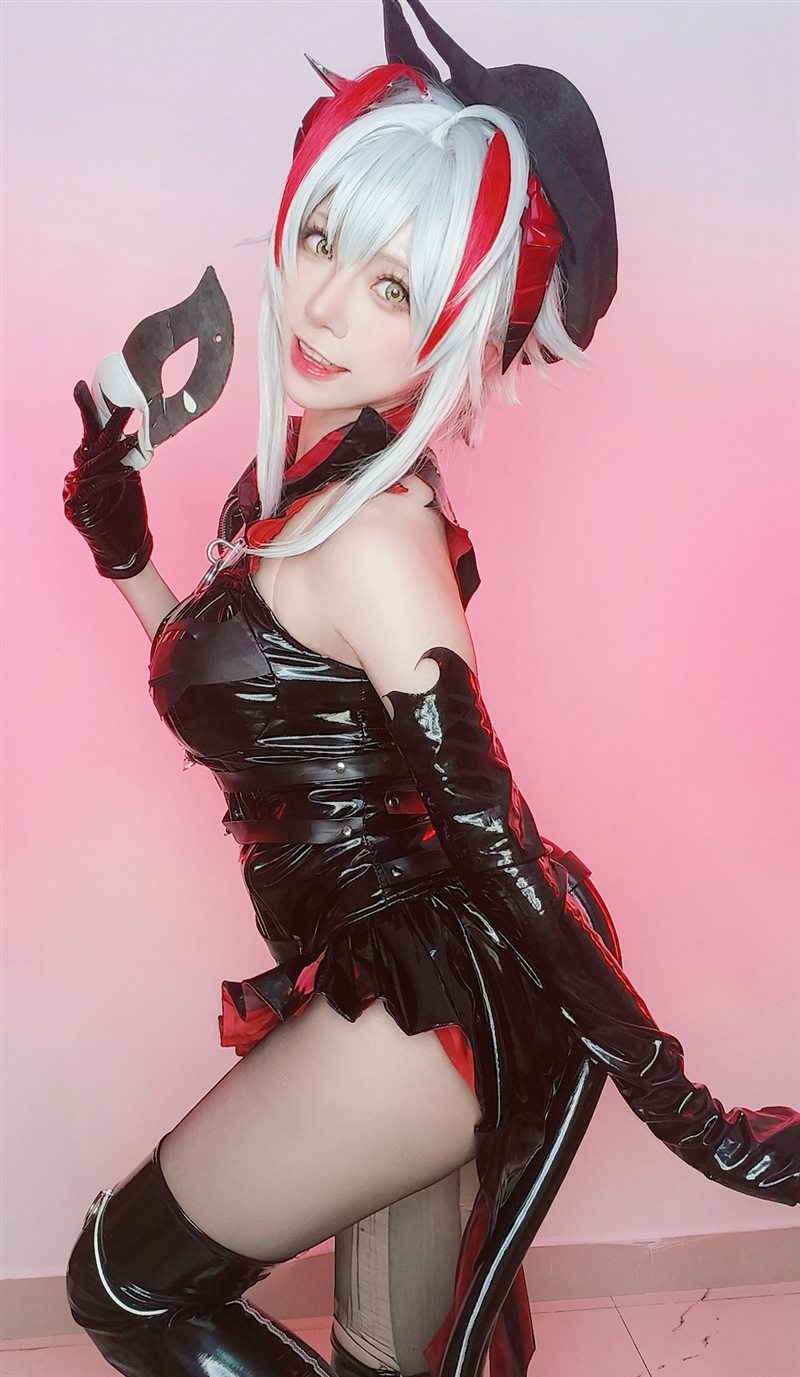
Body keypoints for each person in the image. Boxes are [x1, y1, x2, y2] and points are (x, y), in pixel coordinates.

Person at [61, 7, 799, 1377]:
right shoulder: (302, 483)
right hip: (384, 974)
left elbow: (492, 834)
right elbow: (268, 717)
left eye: (396, 288)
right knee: (389, 1355)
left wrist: (691, 1116)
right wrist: (126, 559)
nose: (325, 303)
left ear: (463, 326)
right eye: (325, 238)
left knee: (124, 1283)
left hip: (429, 992)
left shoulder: (375, 539)